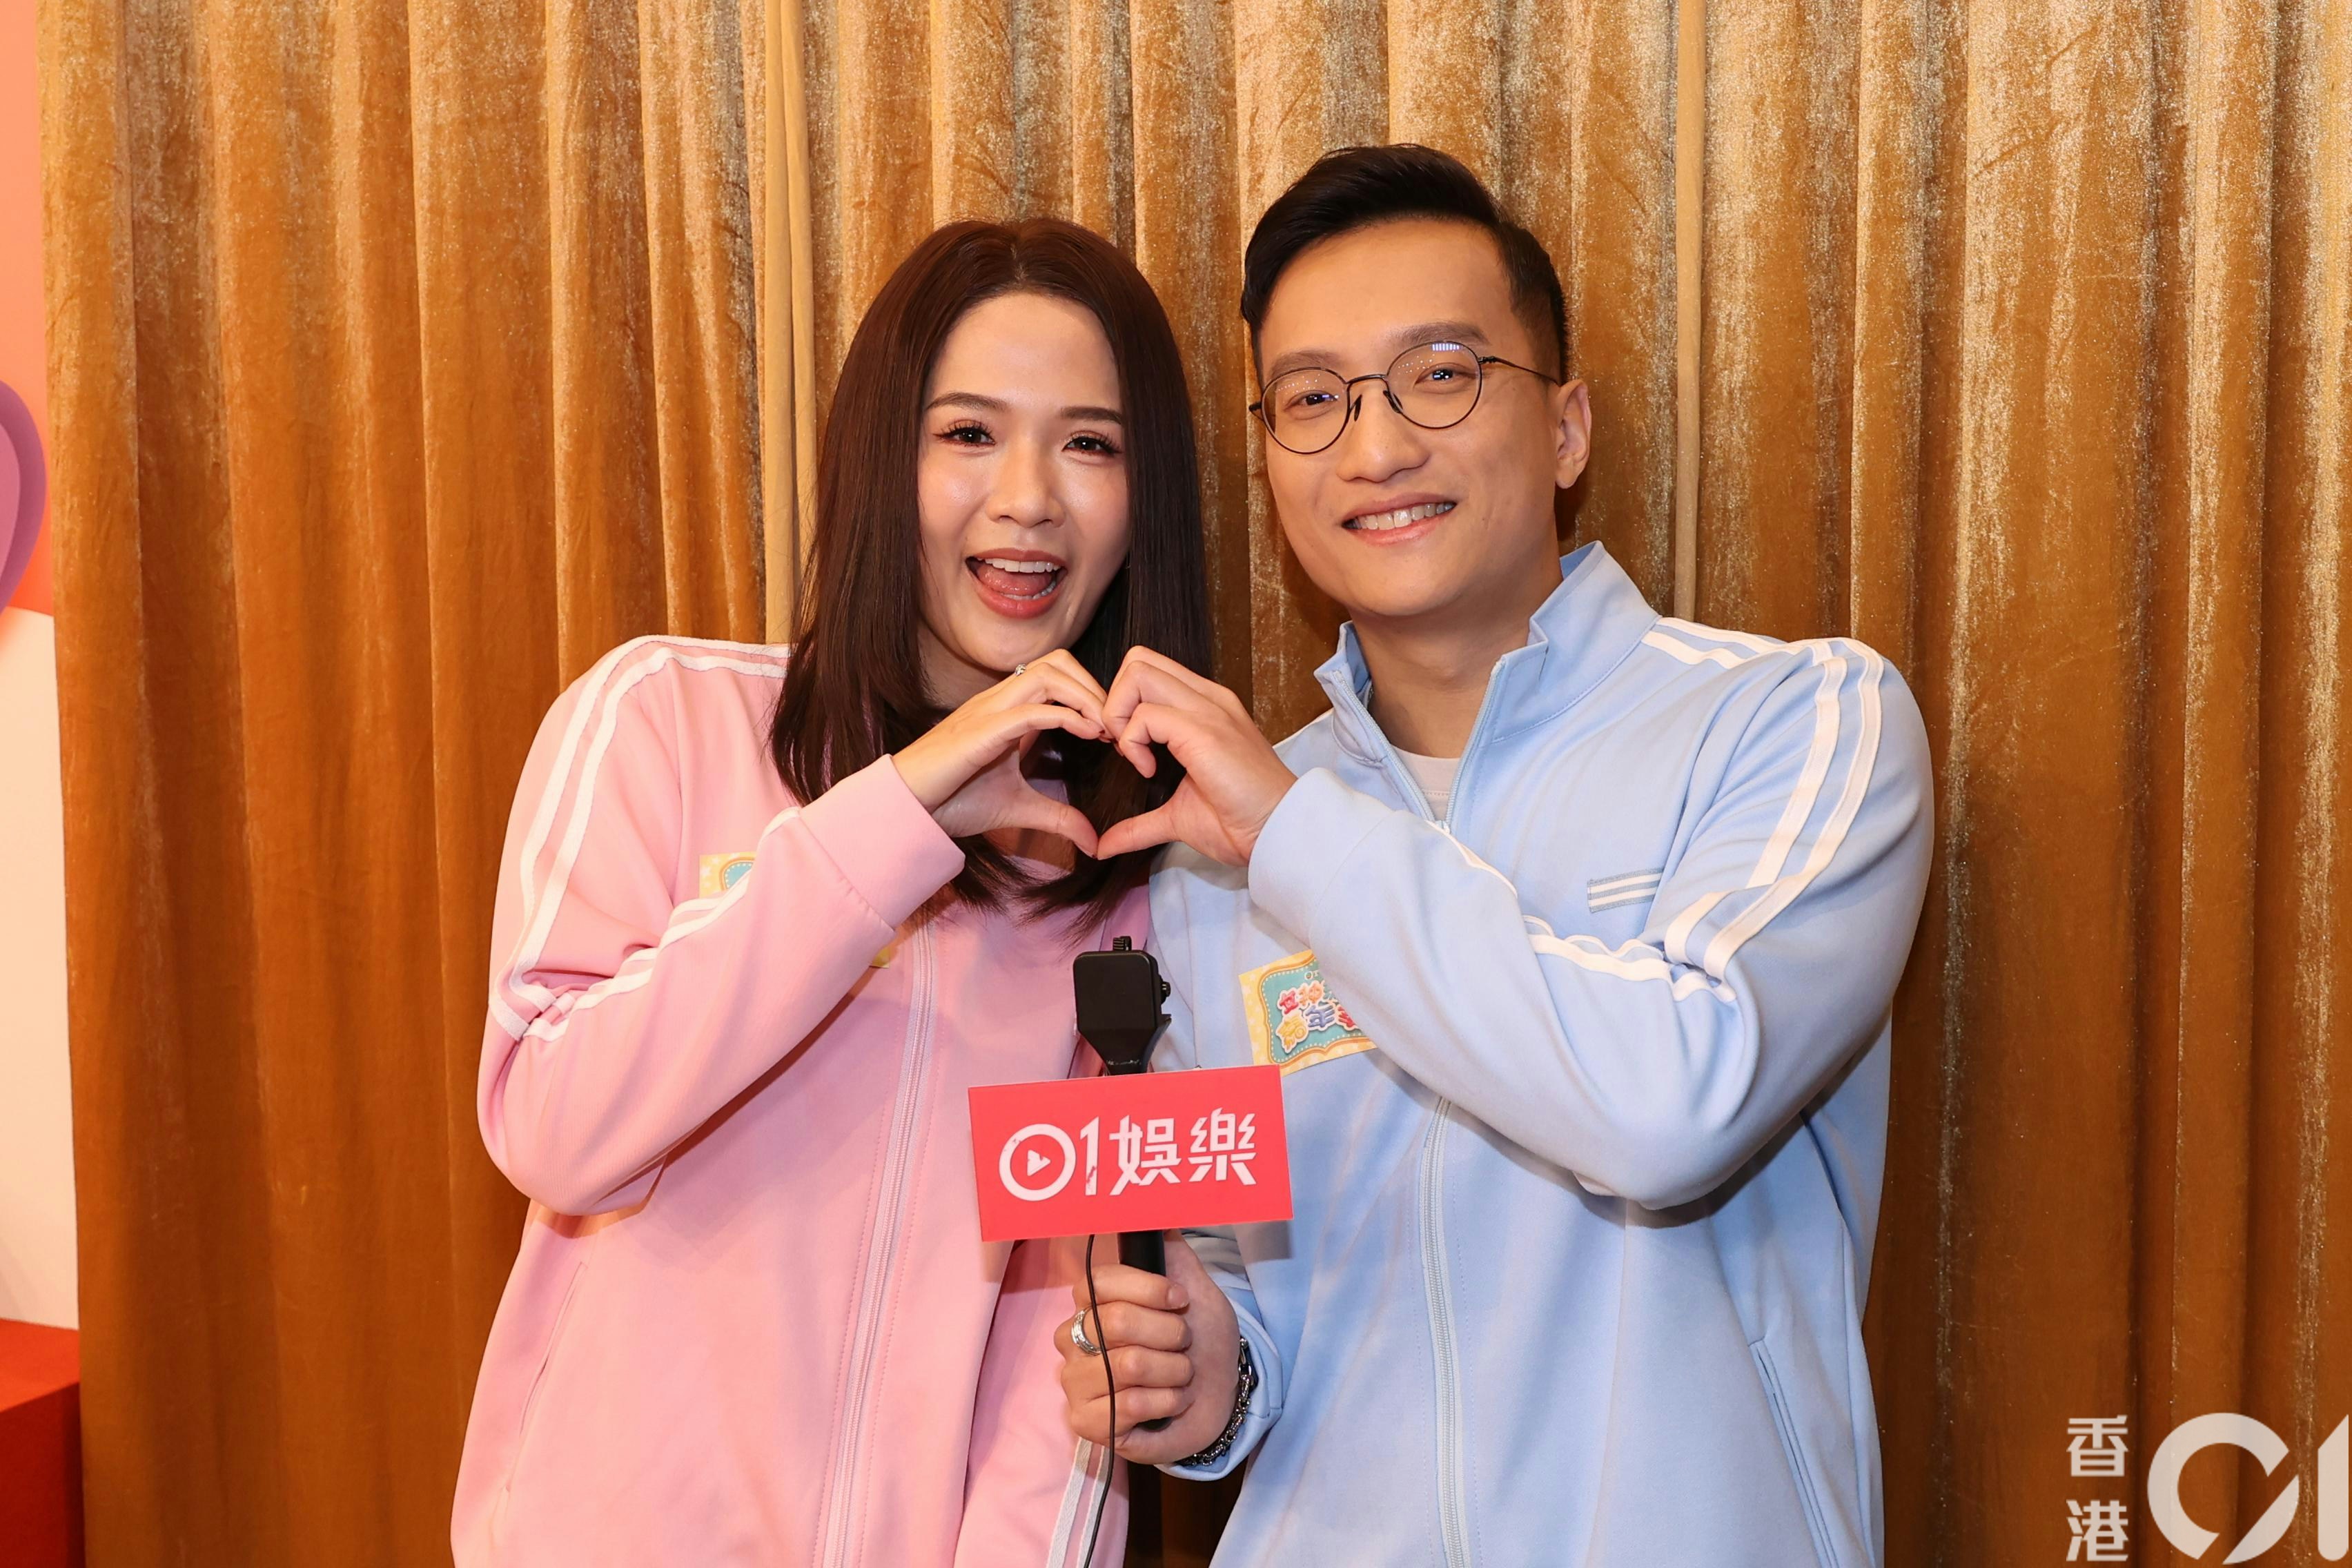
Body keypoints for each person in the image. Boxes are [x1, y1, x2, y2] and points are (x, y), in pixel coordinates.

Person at [1058, 145, 1934, 1566]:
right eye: (1314, 399)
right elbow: (1244, 1288)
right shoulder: (1215, 852)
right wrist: (1207, 1370)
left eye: (1441, 374)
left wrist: (1294, 834)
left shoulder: (1795, 719)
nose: (1376, 447)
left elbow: (1671, 1106)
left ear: (1568, 427)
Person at [451, 217, 1210, 1567]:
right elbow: (554, 1126)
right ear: (879, 458)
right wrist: (893, 818)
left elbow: (1073, 1352)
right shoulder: (665, 716)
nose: (1028, 497)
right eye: (968, 432)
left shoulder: (1129, 873)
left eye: (1091, 444)